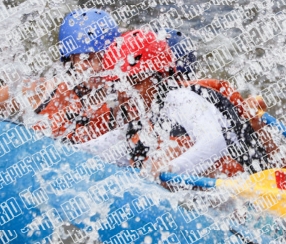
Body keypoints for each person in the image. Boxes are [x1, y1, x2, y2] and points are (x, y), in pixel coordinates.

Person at [98, 29, 269, 177]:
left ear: (161, 76)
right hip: (202, 191)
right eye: (119, 84)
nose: (126, 93)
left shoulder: (181, 99)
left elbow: (214, 142)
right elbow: (99, 150)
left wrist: (170, 168)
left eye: (135, 81)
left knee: (168, 152)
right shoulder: (142, 116)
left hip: (245, 181)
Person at [0, 8, 120, 145]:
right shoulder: (39, 91)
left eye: (103, 57)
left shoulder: (120, 101)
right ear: (70, 59)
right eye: (87, 58)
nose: (96, 68)